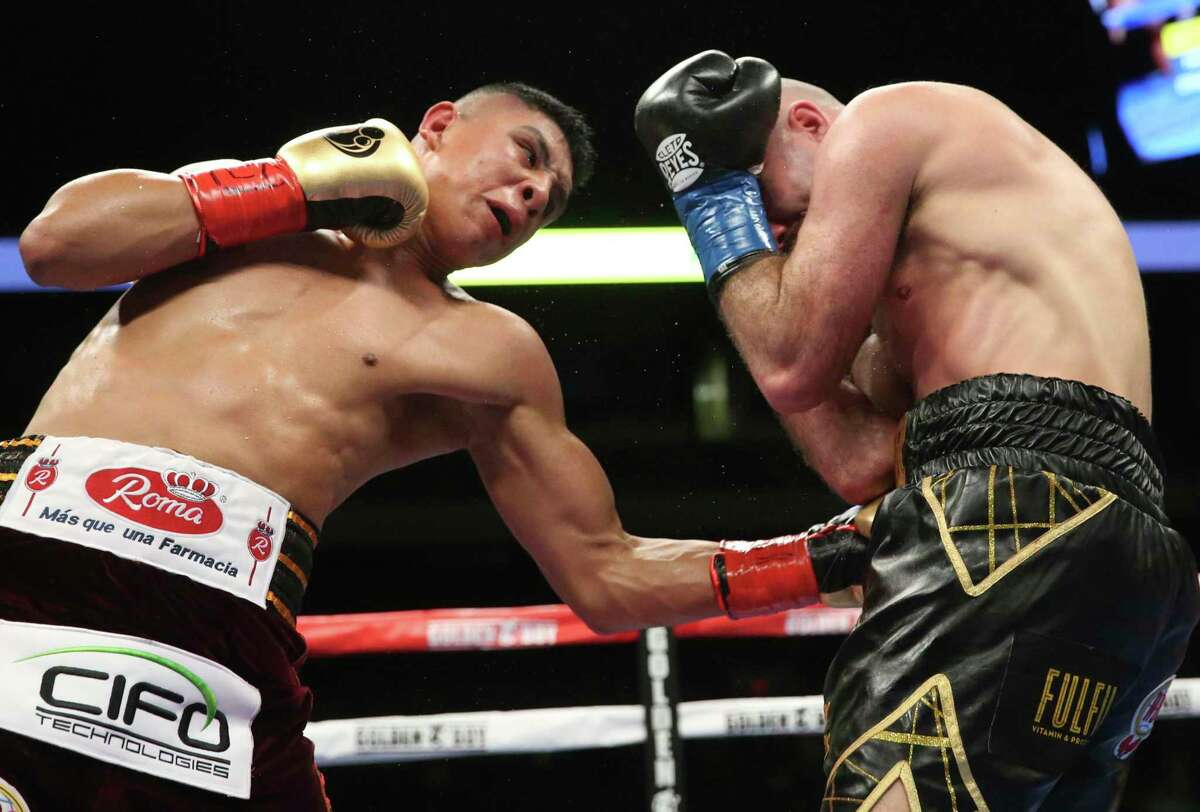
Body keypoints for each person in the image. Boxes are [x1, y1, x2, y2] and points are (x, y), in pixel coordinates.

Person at [1, 82, 870, 810]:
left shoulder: (487, 351)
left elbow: (605, 577)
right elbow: (55, 246)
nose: (534, 196)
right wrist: (291, 188)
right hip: (29, 543)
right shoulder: (252, 209)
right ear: (441, 124)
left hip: (224, 615)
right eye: (526, 156)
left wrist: (831, 555)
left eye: (551, 201)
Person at [636, 51, 1199, 810]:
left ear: (808, 124)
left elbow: (791, 361)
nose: (765, 229)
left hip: (1015, 519)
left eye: (758, 189)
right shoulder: (923, 323)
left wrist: (711, 202)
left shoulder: (888, 117)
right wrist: (766, 291)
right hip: (1132, 559)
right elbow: (857, 459)